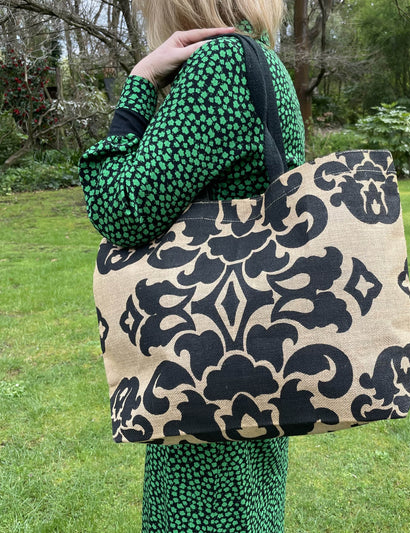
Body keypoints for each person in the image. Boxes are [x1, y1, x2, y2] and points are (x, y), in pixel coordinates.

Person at [79, 0, 305, 531]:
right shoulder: (263, 61)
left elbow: (121, 207)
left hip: (204, 365)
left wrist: (137, 85)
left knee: (206, 510)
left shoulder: (219, 66)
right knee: (249, 505)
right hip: (253, 352)